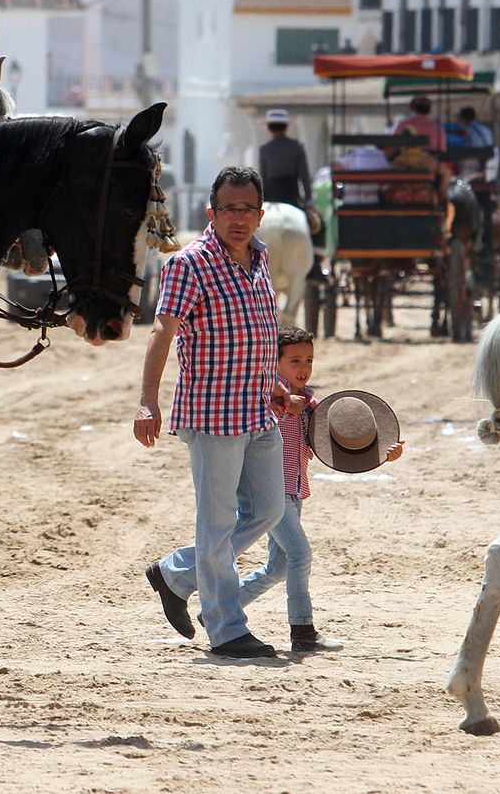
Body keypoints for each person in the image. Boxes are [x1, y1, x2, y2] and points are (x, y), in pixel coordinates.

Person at [135, 166, 288, 660]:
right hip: (213, 414)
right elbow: (162, 332)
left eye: (247, 209)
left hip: (259, 410)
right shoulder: (189, 264)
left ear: (260, 215)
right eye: (228, 209)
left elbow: (259, 331)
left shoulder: (261, 260)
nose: (238, 218)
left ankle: (177, 573)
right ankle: (226, 630)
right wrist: (147, 400)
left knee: (269, 510)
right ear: (212, 213)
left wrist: (276, 385)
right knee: (217, 524)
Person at [238, 326, 403, 652]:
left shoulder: (312, 405)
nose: (303, 368)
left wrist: (384, 451)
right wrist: (283, 404)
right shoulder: (267, 397)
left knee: (280, 566)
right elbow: (255, 420)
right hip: (271, 491)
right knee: (300, 555)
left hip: (294, 491)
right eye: (295, 361)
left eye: (309, 361)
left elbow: (340, 441)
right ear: (274, 363)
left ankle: (220, 608)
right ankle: (303, 632)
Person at [258, 108, 327, 281]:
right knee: (319, 226)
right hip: (292, 196)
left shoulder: (264, 149)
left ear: (269, 128)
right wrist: (309, 200)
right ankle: (315, 266)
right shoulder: (296, 147)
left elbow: (262, 178)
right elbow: (304, 175)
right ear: (286, 127)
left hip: (270, 196)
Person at [450, 106, 497, 182]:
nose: (458, 121)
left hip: (471, 164)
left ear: (464, 118)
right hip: (486, 166)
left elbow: (464, 147)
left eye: (460, 118)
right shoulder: (486, 130)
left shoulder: (467, 130)